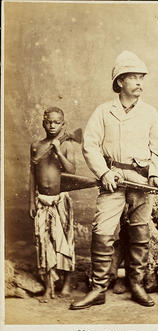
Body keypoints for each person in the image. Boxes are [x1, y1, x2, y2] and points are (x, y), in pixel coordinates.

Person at [70, 50, 158, 310]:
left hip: (141, 183)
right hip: (112, 181)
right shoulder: (104, 112)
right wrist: (104, 173)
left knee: (140, 233)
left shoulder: (150, 113)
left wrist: (155, 175)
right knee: (102, 232)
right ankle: (99, 288)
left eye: (141, 78)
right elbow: (90, 146)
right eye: (133, 77)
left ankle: (137, 284)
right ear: (120, 82)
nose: (140, 83)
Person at [29, 107, 76, 302]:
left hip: (60, 201)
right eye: (49, 122)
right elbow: (32, 175)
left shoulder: (66, 145)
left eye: (57, 122)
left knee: (64, 241)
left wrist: (58, 151)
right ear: (43, 123)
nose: (52, 125)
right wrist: (31, 200)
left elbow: (72, 171)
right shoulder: (36, 145)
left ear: (63, 124)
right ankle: (49, 286)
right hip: (42, 201)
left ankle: (66, 282)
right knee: (44, 243)